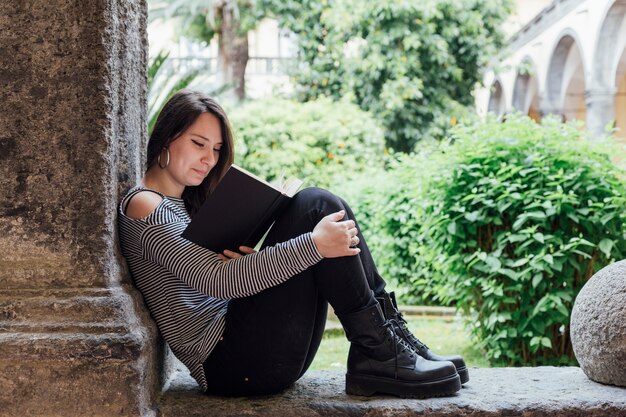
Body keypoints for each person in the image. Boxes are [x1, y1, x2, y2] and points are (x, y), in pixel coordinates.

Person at [118, 89, 469, 399]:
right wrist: (314, 245)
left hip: (251, 352)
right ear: (166, 137)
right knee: (316, 206)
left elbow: (218, 278)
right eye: (198, 144)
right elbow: (217, 280)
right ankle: (377, 351)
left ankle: (388, 337)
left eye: (217, 149)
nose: (209, 159)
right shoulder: (145, 204)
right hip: (229, 362)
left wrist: (253, 261)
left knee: (328, 205)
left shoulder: (187, 205)